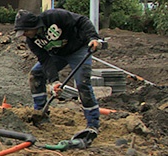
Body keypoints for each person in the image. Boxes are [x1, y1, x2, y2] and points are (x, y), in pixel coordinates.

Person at [13, 9, 104, 142]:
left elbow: (81, 21)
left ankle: (92, 124)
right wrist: (54, 82)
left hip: (78, 50)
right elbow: (45, 60)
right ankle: (40, 114)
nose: (24, 35)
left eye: (26, 31)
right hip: (56, 55)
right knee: (36, 74)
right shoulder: (32, 41)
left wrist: (93, 38)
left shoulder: (54, 17)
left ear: (33, 26)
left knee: (82, 83)